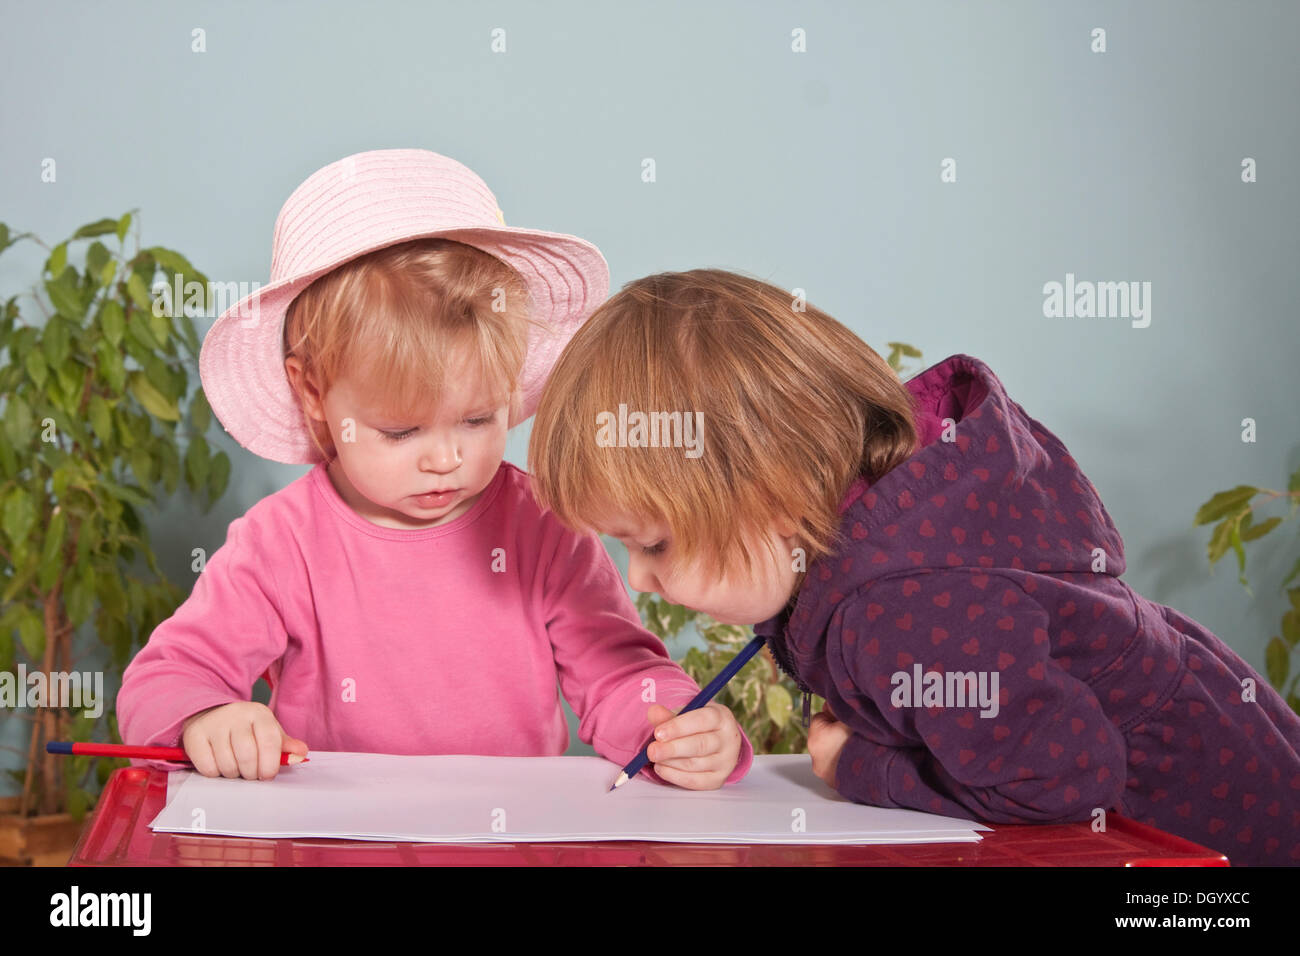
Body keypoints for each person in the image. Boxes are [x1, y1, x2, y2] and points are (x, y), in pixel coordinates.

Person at [527, 267, 1300, 865]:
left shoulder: (902, 609)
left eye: (653, 543)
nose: (638, 581)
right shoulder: (902, 537)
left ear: (771, 495)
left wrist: (861, 765)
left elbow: (1057, 784)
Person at [117, 150, 751, 791]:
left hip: (510, 842)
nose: (446, 459)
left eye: (478, 420)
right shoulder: (281, 543)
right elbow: (167, 676)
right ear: (312, 391)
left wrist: (675, 729)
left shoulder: (542, 525)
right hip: (336, 842)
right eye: (400, 431)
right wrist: (206, 716)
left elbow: (617, 670)